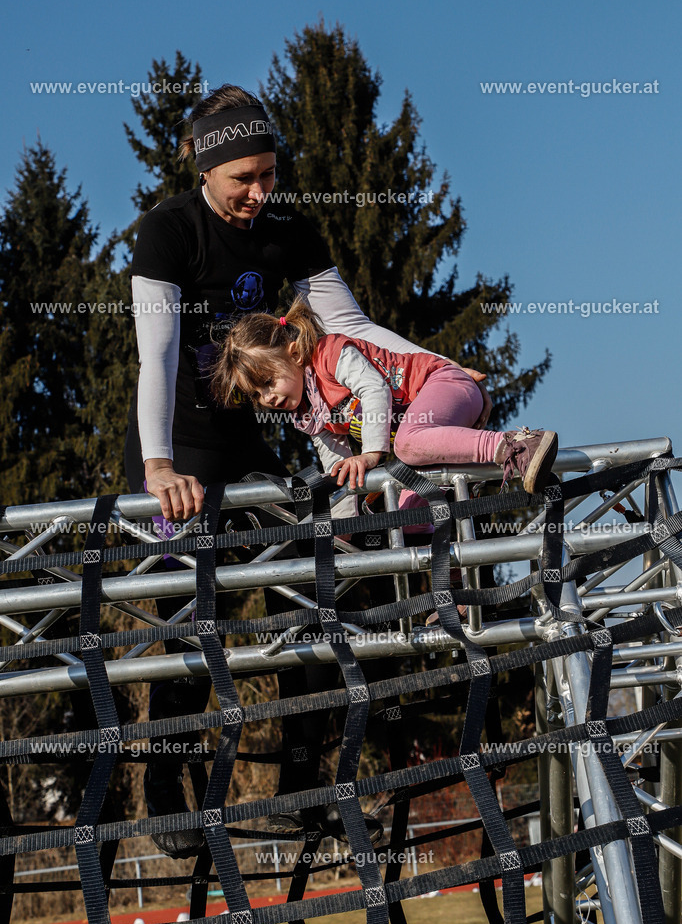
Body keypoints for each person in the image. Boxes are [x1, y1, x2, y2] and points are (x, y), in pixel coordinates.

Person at [125, 83, 493, 857]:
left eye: (268, 175)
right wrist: (158, 466)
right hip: (178, 450)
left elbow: (352, 326)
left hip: (253, 447)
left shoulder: (288, 231)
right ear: (203, 166)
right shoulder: (167, 233)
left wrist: (425, 369)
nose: (259, 193)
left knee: (312, 580)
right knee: (198, 609)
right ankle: (166, 785)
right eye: (242, 180)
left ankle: (301, 775)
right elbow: (155, 352)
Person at [211, 298, 558, 496]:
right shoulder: (308, 413)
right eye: (257, 394)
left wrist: (372, 454)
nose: (267, 397)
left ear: (295, 354)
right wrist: (344, 521)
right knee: (408, 511)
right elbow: (338, 467)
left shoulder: (331, 354)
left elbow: (374, 389)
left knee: (406, 444)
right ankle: (456, 595)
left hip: (444, 383)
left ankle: (515, 445)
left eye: (268, 382)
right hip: (424, 439)